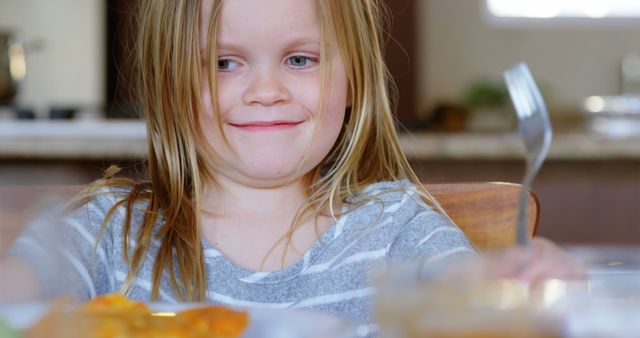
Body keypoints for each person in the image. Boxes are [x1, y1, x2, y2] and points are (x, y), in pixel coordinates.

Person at [0, 0, 581, 332]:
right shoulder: (108, 231)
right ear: (168, 84)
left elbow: (460, 291)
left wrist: (509, 282)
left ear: (352, 79)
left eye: (299, 59)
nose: (266, 90)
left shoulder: (397, 224)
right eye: (225, 64)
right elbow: (17, 293)